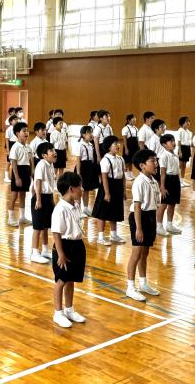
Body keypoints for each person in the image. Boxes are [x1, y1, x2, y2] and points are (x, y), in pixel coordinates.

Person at [50, 172, 87, 328]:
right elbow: (56, 233)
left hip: (77, 244)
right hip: (64, 246)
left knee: (71, 279)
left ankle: (69, 309)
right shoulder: (60, 209)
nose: (82, 189)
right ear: (71, 189)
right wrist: (61, 254)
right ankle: (58, 313)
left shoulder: (76, 205)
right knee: (61, 280)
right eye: (80, 186)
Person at [126, 149, 161, 301]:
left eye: (156, 160)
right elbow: (137, 206)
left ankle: (143, 283)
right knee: (136, 253)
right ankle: (130, 287)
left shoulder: (154, 181)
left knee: (144, 253)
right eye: (152, 161)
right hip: (139, 217)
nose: (156, 164)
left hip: (150, 217)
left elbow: (156, 204)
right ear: (142, 165)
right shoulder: (139, 182)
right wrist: (139, 228)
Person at [92, 135, 125, 245]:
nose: (118, 145)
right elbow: (104, 178)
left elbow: (123, 176)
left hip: (118, 187)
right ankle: (101, 237)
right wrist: (107, 193)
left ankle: (114, 234)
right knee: (103, 212)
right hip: (108, 187)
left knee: (114, 211)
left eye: (118, 143)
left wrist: (124, 191)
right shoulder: (105, 160)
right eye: (115, 144)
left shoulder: (120, 159)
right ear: (108, 147)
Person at [31, 142, 57, 264]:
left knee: (46, 226)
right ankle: (34, 253)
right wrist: (38, 199)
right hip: (40, 197)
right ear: (44, 155)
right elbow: (38, 182)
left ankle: (45, 250)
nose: (54, 153)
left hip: (48, 197)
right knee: (38, 227)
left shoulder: (50, 164)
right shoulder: (41, 165)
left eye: (54, 150)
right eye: (51, 151)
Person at [8, 122, 33, 226]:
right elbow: (13, 162)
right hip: (18, 171)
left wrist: (31, 173)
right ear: (17, 133)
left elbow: (31, 161)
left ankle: (22, 217)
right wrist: (17, 177)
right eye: (24, 131)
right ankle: (10, 218)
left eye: (27, 130)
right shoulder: (15, 147)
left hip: (26, 171)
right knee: (14, 195)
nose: (26, 132)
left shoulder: (28, 147)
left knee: (23, 195)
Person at [156, 134, 182, 236]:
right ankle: (159, 226)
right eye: (171, 141)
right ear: (164, 145)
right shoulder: (164, 156)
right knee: (164, 204)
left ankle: (169, 225)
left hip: (175, 180)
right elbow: (162, 173)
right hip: (168, 180)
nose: (174, 143)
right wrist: (162, 187)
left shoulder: (175, 155)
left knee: (172, 203)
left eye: (174, 141)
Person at [75, 125, 99, 216]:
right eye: (89, 133)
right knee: (80, 189)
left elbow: (92, 158)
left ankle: (85, 208)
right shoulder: (80, 145)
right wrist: (78, 173)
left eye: (91, 132)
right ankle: (78, 210)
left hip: (89, 168)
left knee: (87, 189)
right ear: (83, 135)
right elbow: (78, 160)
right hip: (82, 168)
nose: (91, 134)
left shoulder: (91, 145)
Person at [121, 114, 139, 180]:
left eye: (135, 119)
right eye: (133, 119)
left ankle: (130, 174)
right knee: (127, 161)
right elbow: (124, 140)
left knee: (131, 161)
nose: (134, 120)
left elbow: (137, 139)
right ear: (129, 120)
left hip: (135, 146)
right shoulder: (125, 128)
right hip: (128, 146)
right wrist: (126, 148)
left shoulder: (136, 128)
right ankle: (126, 175)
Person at [176, 116, 192, 187]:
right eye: (186, 121)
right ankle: (178, 181)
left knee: (184, 166)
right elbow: (179, 142)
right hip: (182, 148)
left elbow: (189, 142)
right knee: (180, 165)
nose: (188, 123)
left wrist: (190, 150)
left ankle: (182, 180)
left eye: (189, 121)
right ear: (182, 123)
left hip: (187, 148)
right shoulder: (180, 131)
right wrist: (180, 151)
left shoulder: (189, 132)